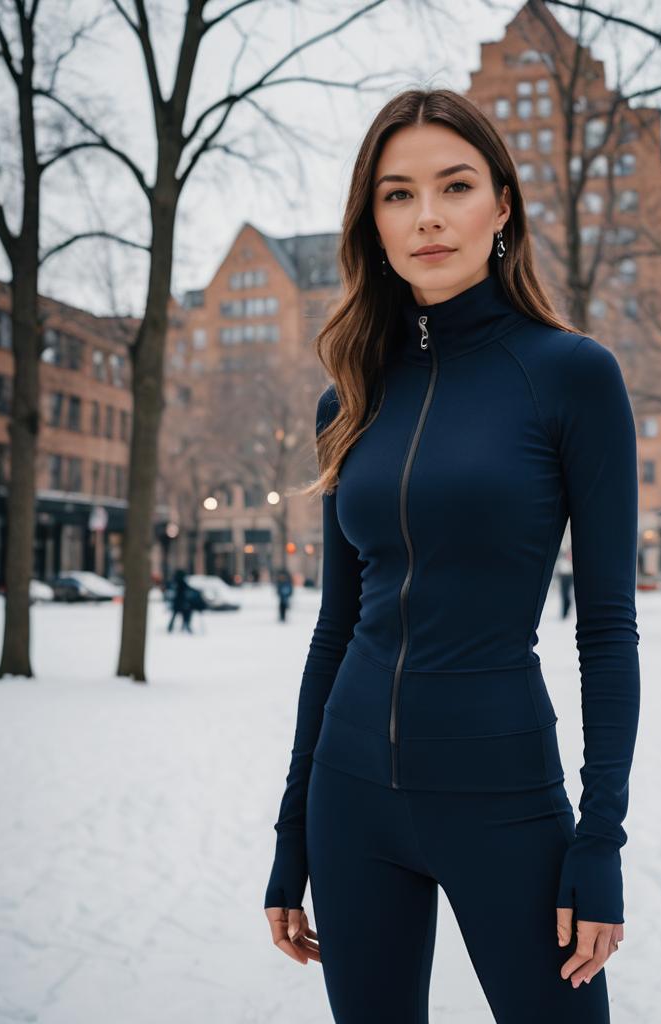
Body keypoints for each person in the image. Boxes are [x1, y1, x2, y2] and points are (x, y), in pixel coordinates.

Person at [263, 89, 640, 1023]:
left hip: (503, 795)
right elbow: (336, 626)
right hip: (351, 800)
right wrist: (292, 829)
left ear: (502, 205)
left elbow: (606, 628)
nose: (427, 216)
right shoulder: (348, 398)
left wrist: (601, 839)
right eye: (398, 194)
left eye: (455, 186)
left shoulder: (571, 375)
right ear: (373, 223)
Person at [554, 522, 574, 619]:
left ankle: (565, 612)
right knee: (564, 592)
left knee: (567, 592)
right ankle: (564, 613)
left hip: (570, 571)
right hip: (563, 570)